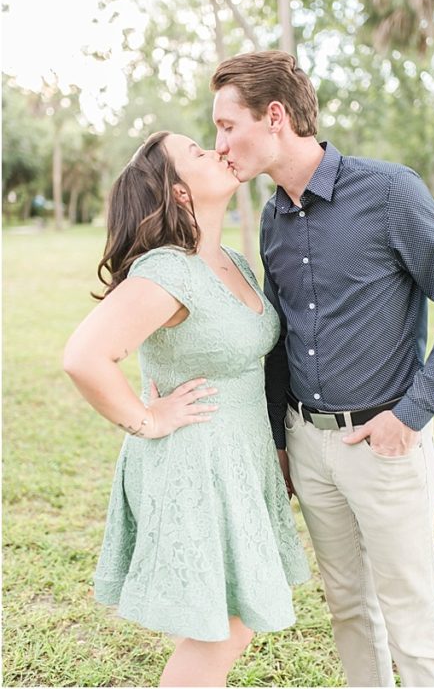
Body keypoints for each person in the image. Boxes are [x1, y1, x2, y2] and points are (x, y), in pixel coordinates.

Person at [209, 50, 434, 687]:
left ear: (276, 116)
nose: (221, 143)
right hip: (309, 447)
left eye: (229, 126)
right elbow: (281, 337)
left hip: (385, 444)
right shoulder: (272, 217)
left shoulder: (389, 190)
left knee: (411, 617)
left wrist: (411, 415)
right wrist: (283, 442)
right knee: (348, 609)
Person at [63, 131, 310, 687]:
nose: (217, 150)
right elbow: (84, 357)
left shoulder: (234, 263)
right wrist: (149, 418)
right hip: (193, 465)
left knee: (212, 624)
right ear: (177, 192)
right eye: (198, 152)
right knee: (225, 630)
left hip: (237, 462)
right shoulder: (166, 272)